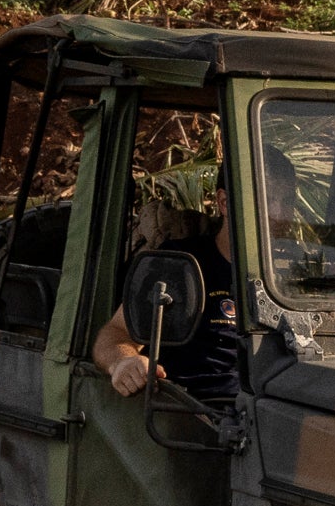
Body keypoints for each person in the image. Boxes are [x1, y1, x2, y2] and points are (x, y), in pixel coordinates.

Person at [94, 167, 244, 409]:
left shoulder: (291, 273)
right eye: (267, 202)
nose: (279, 215)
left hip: (276, 406)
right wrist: (124, 362)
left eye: (286, 202)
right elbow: (115, 333)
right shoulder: (180, 264)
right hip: (198, 415)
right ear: (224, 203)